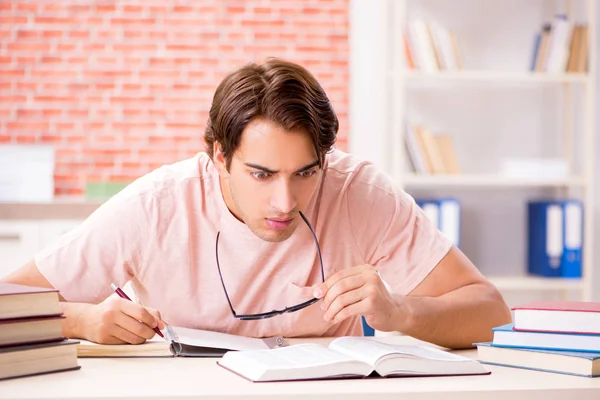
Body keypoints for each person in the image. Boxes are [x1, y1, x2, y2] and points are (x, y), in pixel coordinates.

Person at [2, 58, 512, 349]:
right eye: (261, 174)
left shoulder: (360, 192)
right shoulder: (156, 206)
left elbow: (492, 315)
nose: (284, 201)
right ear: (219, 156)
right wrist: (80, 321)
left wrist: (402, 310)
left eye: (306, 173)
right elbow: (7, 303)